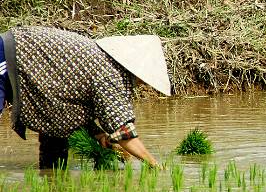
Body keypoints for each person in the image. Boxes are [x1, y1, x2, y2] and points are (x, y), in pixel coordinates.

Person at [0, 27, 169, 168]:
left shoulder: (103, 62)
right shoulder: (111, 74)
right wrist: (154, 164)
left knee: (56, 144)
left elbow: (64, 114)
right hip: (7, 57)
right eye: (144, 80)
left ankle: (51, 183)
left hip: (18, 57)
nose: (142, 84)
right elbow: (124, 132)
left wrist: (101, 136)